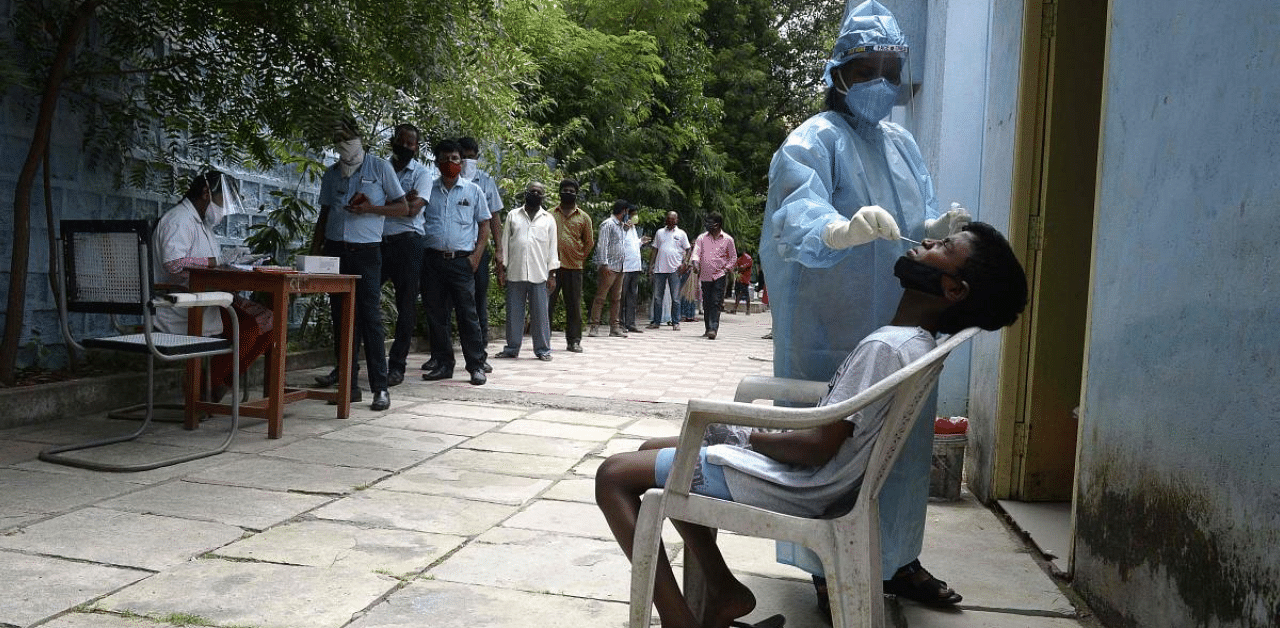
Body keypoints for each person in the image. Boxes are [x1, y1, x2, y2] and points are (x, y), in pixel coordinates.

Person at [596, 222, 1028, 628]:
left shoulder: (887, 347)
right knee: (650, 451)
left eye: (944, 247)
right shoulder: (910, 342)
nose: (928, 243)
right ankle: (724, 588)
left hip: (799, 484)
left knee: (612, 476)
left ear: (953, 289)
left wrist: (752, 435)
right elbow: (829, 431)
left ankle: (679, 622)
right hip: (820, 478)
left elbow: (818, 444)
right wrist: (755, 435)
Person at [760, 0, 974, 610]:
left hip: (906, 325)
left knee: (900, 446)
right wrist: (836, 231)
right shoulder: (813, 139)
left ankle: (899, 558)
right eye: (867, 68)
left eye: (890, 67)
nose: (881, 81)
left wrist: (936, 222)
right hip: (831, 325)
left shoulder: (903, 144)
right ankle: (830, 568)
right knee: (836, 442)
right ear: (838, 74)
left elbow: (920, 212)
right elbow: (794, 214)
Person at [311, 116, 408, 411]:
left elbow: (403, 207)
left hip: (366, 251)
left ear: (359, 139)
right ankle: (348, 386)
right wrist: (314, 253)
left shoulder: (379, 167)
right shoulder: (332, 173)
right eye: (338, 140)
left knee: (370, 318)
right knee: (341, 317)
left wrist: (370, 209)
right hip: (335, 251)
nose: (343, 145)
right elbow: (324, 215)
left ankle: (380, 387)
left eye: (348, 138)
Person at [152, 170, 272, 402]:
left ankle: (217, 383)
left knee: (269, 323)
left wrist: (234, 265)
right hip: (180, 303)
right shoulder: (179, 220)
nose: (223, 208)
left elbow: (210, 266)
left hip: (205, 299)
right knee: (247, 327)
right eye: (222, 201)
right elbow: (174, 264)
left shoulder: (202, 225)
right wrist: (216, 262)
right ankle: (205, 388)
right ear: (206, 193)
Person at [420, 138, 491, 386]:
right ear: (437, 162)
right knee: (436, 315)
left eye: (455, 159)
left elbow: (485, 225)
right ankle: (443, 364)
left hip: (462, 262)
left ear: (462, 162)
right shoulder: (427, 189)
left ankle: (476, 365)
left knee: (467, 314)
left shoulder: (473, 191)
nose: (450, 163)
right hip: (433, 261)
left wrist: (476, 257)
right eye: (445, 159)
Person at [379, 124, 430, 387]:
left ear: (417, 147)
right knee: (363, 304)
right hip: (378, 242)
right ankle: (346, 366)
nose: (407, 147)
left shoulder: (422, 174)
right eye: (403, 142)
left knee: (406, 307)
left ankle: (396, 366)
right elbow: (367, 205)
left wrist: (379, 206)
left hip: (408, 243)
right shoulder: (379, 169)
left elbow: (412, 211)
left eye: (412, 144)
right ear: (393, 142)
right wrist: (397, 203)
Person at [494, 182, 559, 361]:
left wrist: (552, 275)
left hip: (540, 274)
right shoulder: (513, 215)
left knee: (540, 315)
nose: (535, 194)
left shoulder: (548, 219)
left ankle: (543, 350)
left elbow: (553, 249)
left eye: (539, 192)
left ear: (543, 197)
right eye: (532, 191)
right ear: (526, 194)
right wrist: (501, 270)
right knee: (514, 313)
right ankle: (511, 348)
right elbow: (505, 244)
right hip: (515, 272)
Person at [548, 179, 594, 353]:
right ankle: (545, 339)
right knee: (547, 304)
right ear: (560, 192)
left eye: (571, 191)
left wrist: (580, 256)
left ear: (576, 194)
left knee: (573, 305)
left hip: (574, 267)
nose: (568, 193)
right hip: (551, 267)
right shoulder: (549, 214)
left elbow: (589, 242)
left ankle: (574, 341)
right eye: (565, 190)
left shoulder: (584, 217)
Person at [690, 212, 737, 340]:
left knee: (716, 302)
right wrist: (695, 263)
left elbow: (733, 257)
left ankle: (713, 328)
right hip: (705, 275)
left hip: (720, 275)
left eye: (710, 223)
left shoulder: (728, 239)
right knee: (707, 302)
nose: (707, 225)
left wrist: (726, 269)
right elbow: (696, 253)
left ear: (718, 225)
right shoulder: (701, 238)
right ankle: (707, 327)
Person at [587, 200, 630, 338]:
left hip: (620, 267)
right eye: (627, 212)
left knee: (616, 299)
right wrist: (604, 264)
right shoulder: (608, 224)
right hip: (609, 266)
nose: (627, 215)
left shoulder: (622, 226)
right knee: (601, 297)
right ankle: (594, 326)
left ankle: (614, 327)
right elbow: (602, 245)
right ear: (623, 211)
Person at [646, 210, 691, 331]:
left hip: (675, 270)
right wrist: (651, 265)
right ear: (666, 220)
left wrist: (685, 263)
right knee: (657, 297)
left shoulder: (681, 234)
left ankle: (675, 322)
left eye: (673, 219)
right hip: (659, 269)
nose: (671, 221)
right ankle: (656, 321)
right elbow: (654, 249)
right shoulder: (659, 232)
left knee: (675, 298)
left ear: (677, 220)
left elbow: (688, 249)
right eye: (669, 219)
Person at [619, 203, 650, 334]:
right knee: (622, 296)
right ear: (627, 214)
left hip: (635, 267)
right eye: (633, 214)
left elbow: (632, 244)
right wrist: (625, 228)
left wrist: (641, 241)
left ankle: (631, 323)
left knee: (632, 296)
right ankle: (620, 323)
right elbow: (619, 242)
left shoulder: (633, 229)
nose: (635, 217)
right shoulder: (622, 227)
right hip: (625, 267)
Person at [729, 250, 753, 315]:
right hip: (739, 279)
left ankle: (742, 309)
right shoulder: (740, 258)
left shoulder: (748, 258)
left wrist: (737, 269)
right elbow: (735, 266)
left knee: (743, 294)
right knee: (739, 294)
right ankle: (738, 309)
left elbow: (742, 268)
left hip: (745, 279)